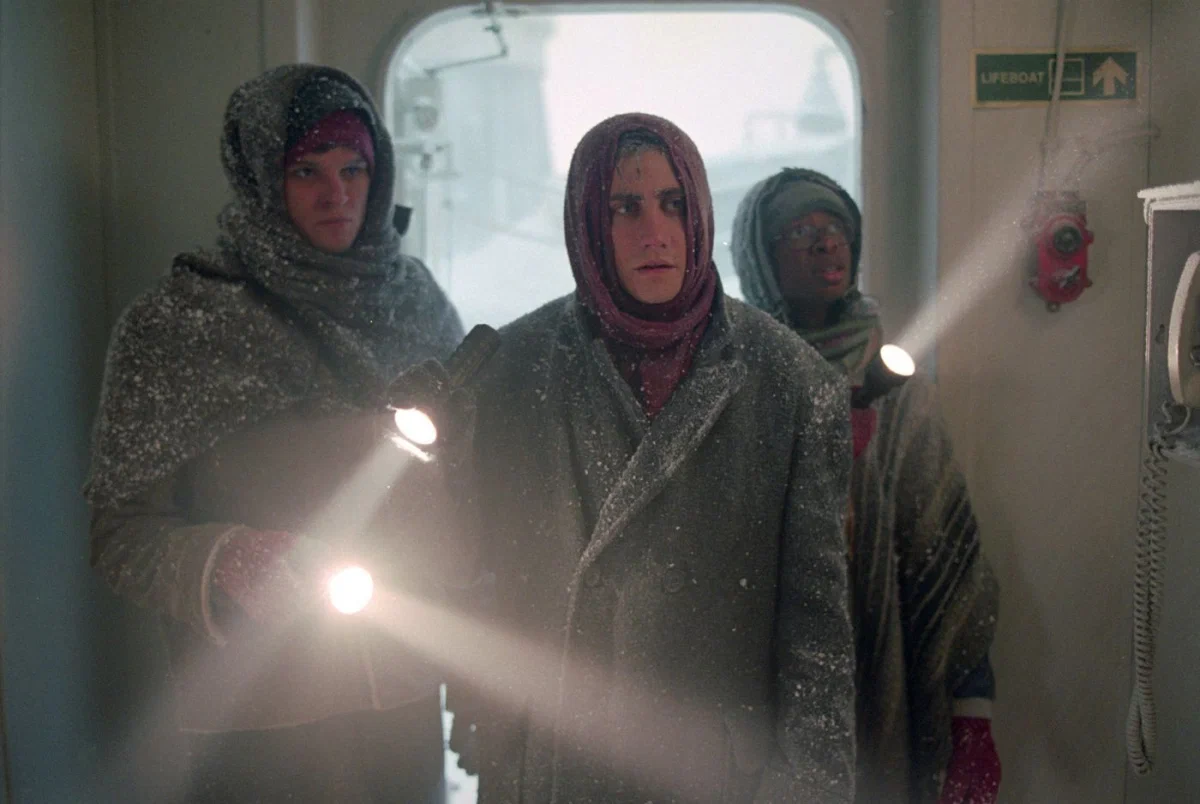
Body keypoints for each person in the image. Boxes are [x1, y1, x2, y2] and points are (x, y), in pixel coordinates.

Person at [438, 114, 856, 804]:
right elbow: (458, 570)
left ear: (700, 215)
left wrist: (812, 787)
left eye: (673, 204)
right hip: (551, 764)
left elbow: (817, 633)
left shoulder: (791, 382)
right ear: (587, 224)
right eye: (624, 208)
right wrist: (433, 463)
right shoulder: (509, 369)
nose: (655, 232)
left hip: (713, 770)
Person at [85, 64, 466, 802]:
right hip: (255, 718)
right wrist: (224, 559)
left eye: (354, 168)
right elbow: (119, 535)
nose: (337, 194)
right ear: (261, 177)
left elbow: (471, 484)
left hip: (404, 702)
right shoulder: (179, 325)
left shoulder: (416, 305)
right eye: (306, 171)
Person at [731, 167, 1001, 804]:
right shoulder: (736, 381)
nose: (826, 243)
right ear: (761, 259)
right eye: (800, 231)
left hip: (880, 685)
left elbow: (945, 555)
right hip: (766, 696)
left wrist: (973, 714)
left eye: (836, 228)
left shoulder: (895, 390)